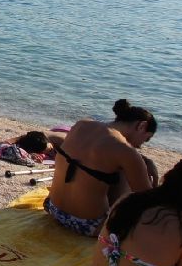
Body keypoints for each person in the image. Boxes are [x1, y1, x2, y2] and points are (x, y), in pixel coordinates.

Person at [44, 99, 157, 238]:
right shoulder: (126, 151)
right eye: (146, 139)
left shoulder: (82, 124)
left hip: (53, 208)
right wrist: (151, 174)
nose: (141, 145)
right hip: (89, 226)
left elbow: (93, 153)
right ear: (142, 126)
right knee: (128, 178)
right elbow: (146, 201)